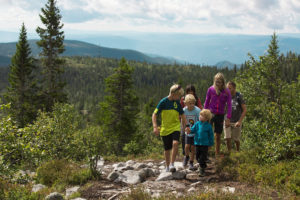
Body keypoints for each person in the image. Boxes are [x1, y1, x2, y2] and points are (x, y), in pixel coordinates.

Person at [152, 84, 188, 172]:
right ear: (173, 93)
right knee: (167, 149)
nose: (179, 97)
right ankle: (167, 166)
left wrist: (186, 126)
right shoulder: (163, 102)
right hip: (165, 129)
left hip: (175, 127)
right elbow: (154, 114)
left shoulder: (177, 103)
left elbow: (183, 115)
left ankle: (172, 164)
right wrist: (155, 126)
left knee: (175, 143)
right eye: (178, 95)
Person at [204, 73, 232, 156]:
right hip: (210, 113)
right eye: (216, 82)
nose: (217, 84)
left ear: (223, 82)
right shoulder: (211, 89)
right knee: (207, 132)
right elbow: (206, 101)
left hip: (220, 114)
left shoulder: (227, 92)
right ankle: (207, 152)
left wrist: (228, 118)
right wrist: (204, 113)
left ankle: (217, 153)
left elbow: (229, 105)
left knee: (218, 135)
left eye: (219, 82)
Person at [188, 109, 214, 176]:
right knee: (197, 157)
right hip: (197, 143)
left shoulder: (208, 126)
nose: (200, 116)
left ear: (206, 118)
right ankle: (203, 165)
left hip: (205, 144)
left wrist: (210, 144)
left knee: (203, 157)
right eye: (200, 115)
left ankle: (202, 170)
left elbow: (211, 136)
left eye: (202, 115)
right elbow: (193, 130)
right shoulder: (197, 124)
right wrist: (189, 130)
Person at [180, 85, 203, 156]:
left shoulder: (196, 99)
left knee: (194, 137)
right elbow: (180, 109)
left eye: (191, 92)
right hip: (185, 119)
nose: (190, 93)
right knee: (184, 135)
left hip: (195, 120)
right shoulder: (183, 99)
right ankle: (185, 152)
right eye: (188, 92)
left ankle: (195, 152)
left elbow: (200, 108)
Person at [224, 81, 247, 152]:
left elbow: (245, 110)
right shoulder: (225, 96)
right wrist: (225, 119)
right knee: (227, 138)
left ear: (234, 88)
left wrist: (239, 121)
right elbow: (224, 109)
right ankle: (229, 153)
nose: (228, 90)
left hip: (237, 120)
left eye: (230, 88)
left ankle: (238, 151)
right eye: (227, 88)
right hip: (227, 120)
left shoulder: (239, 96)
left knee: (236, 139)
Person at [182, 94, 201, 170]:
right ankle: (186, 156)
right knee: (186, 146)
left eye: (193, 103)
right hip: (188, 131)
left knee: (193, 148)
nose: (192, 105)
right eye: (190, 103)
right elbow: (183, 120)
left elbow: (200, 121)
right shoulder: (184, 110)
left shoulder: (197, 110)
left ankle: (191, 162)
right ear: (185, 103)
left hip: (195, 132)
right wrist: (184, 128)